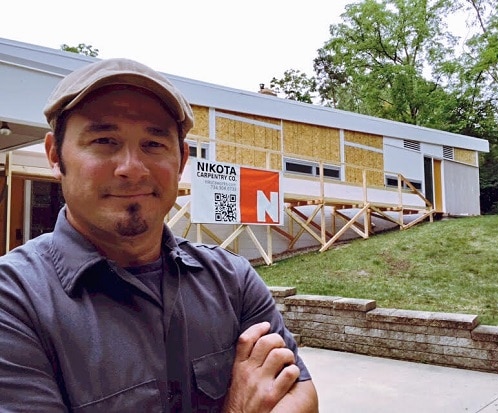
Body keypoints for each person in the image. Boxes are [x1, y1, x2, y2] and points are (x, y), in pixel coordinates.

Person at [0, 58, 318, 412]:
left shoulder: (233, 280)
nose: (132, 168)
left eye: (153, 144)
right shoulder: (13, 301)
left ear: (182, 160)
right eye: (104, 140)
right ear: (55, 155)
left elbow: (300, 396)